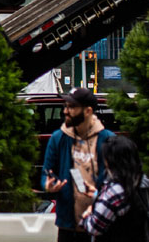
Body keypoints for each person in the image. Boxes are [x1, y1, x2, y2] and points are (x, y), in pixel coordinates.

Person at [42, 87, 115, 242]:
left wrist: (99, 194)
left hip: (101, 224)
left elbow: (119, 182)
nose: (66, 111)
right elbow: (46, 174)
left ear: (88, 111)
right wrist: (49, 185)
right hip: (68, 226)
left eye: (72, 107)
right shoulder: (58, 138)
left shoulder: (108, 139)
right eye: (66, 106)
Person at [81, 135, 149, 241]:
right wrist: (97, 195)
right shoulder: (140, 181)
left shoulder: (115, 191)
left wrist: (87, 214)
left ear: (111, 160)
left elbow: (94, 228)